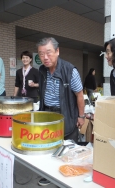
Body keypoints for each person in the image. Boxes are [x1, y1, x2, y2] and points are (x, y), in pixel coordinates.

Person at [37, 37, 85, 186]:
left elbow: (80, 95)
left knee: (68, 149)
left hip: (66, 115)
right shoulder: (42, 70)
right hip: (47, 115)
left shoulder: (69, 70)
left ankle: (70, 179)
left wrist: (81, 116)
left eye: (49, 52)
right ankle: (49, 175)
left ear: (57, 51)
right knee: (49, 147)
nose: (45, 57)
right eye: (41, 54)